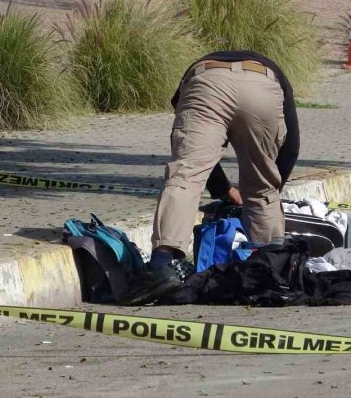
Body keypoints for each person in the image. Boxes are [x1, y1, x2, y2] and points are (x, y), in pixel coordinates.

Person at [123, 51, 300, 305]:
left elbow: (198, 157)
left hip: (204, 82)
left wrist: (222, 190)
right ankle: (269, 264)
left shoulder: (191, 79)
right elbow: (291, 149)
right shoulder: (277, 73)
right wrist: (268, 188)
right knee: (262, 188)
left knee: (185, 176)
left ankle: (163, 265)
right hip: (263, 88)